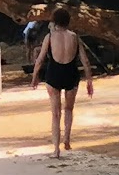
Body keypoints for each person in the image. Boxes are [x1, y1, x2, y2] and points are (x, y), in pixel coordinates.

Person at [30, 8, 94, 158]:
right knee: (69, 109)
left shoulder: (50, 36)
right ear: (68, 21)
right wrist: (89, 80)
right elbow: (85, 60)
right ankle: (67, 139)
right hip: (71, 74)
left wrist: (34, 76)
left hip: (54, 74)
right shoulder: (75, 37)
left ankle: (56, 149)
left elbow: (40, 59)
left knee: (55, 113)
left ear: (54, 21)